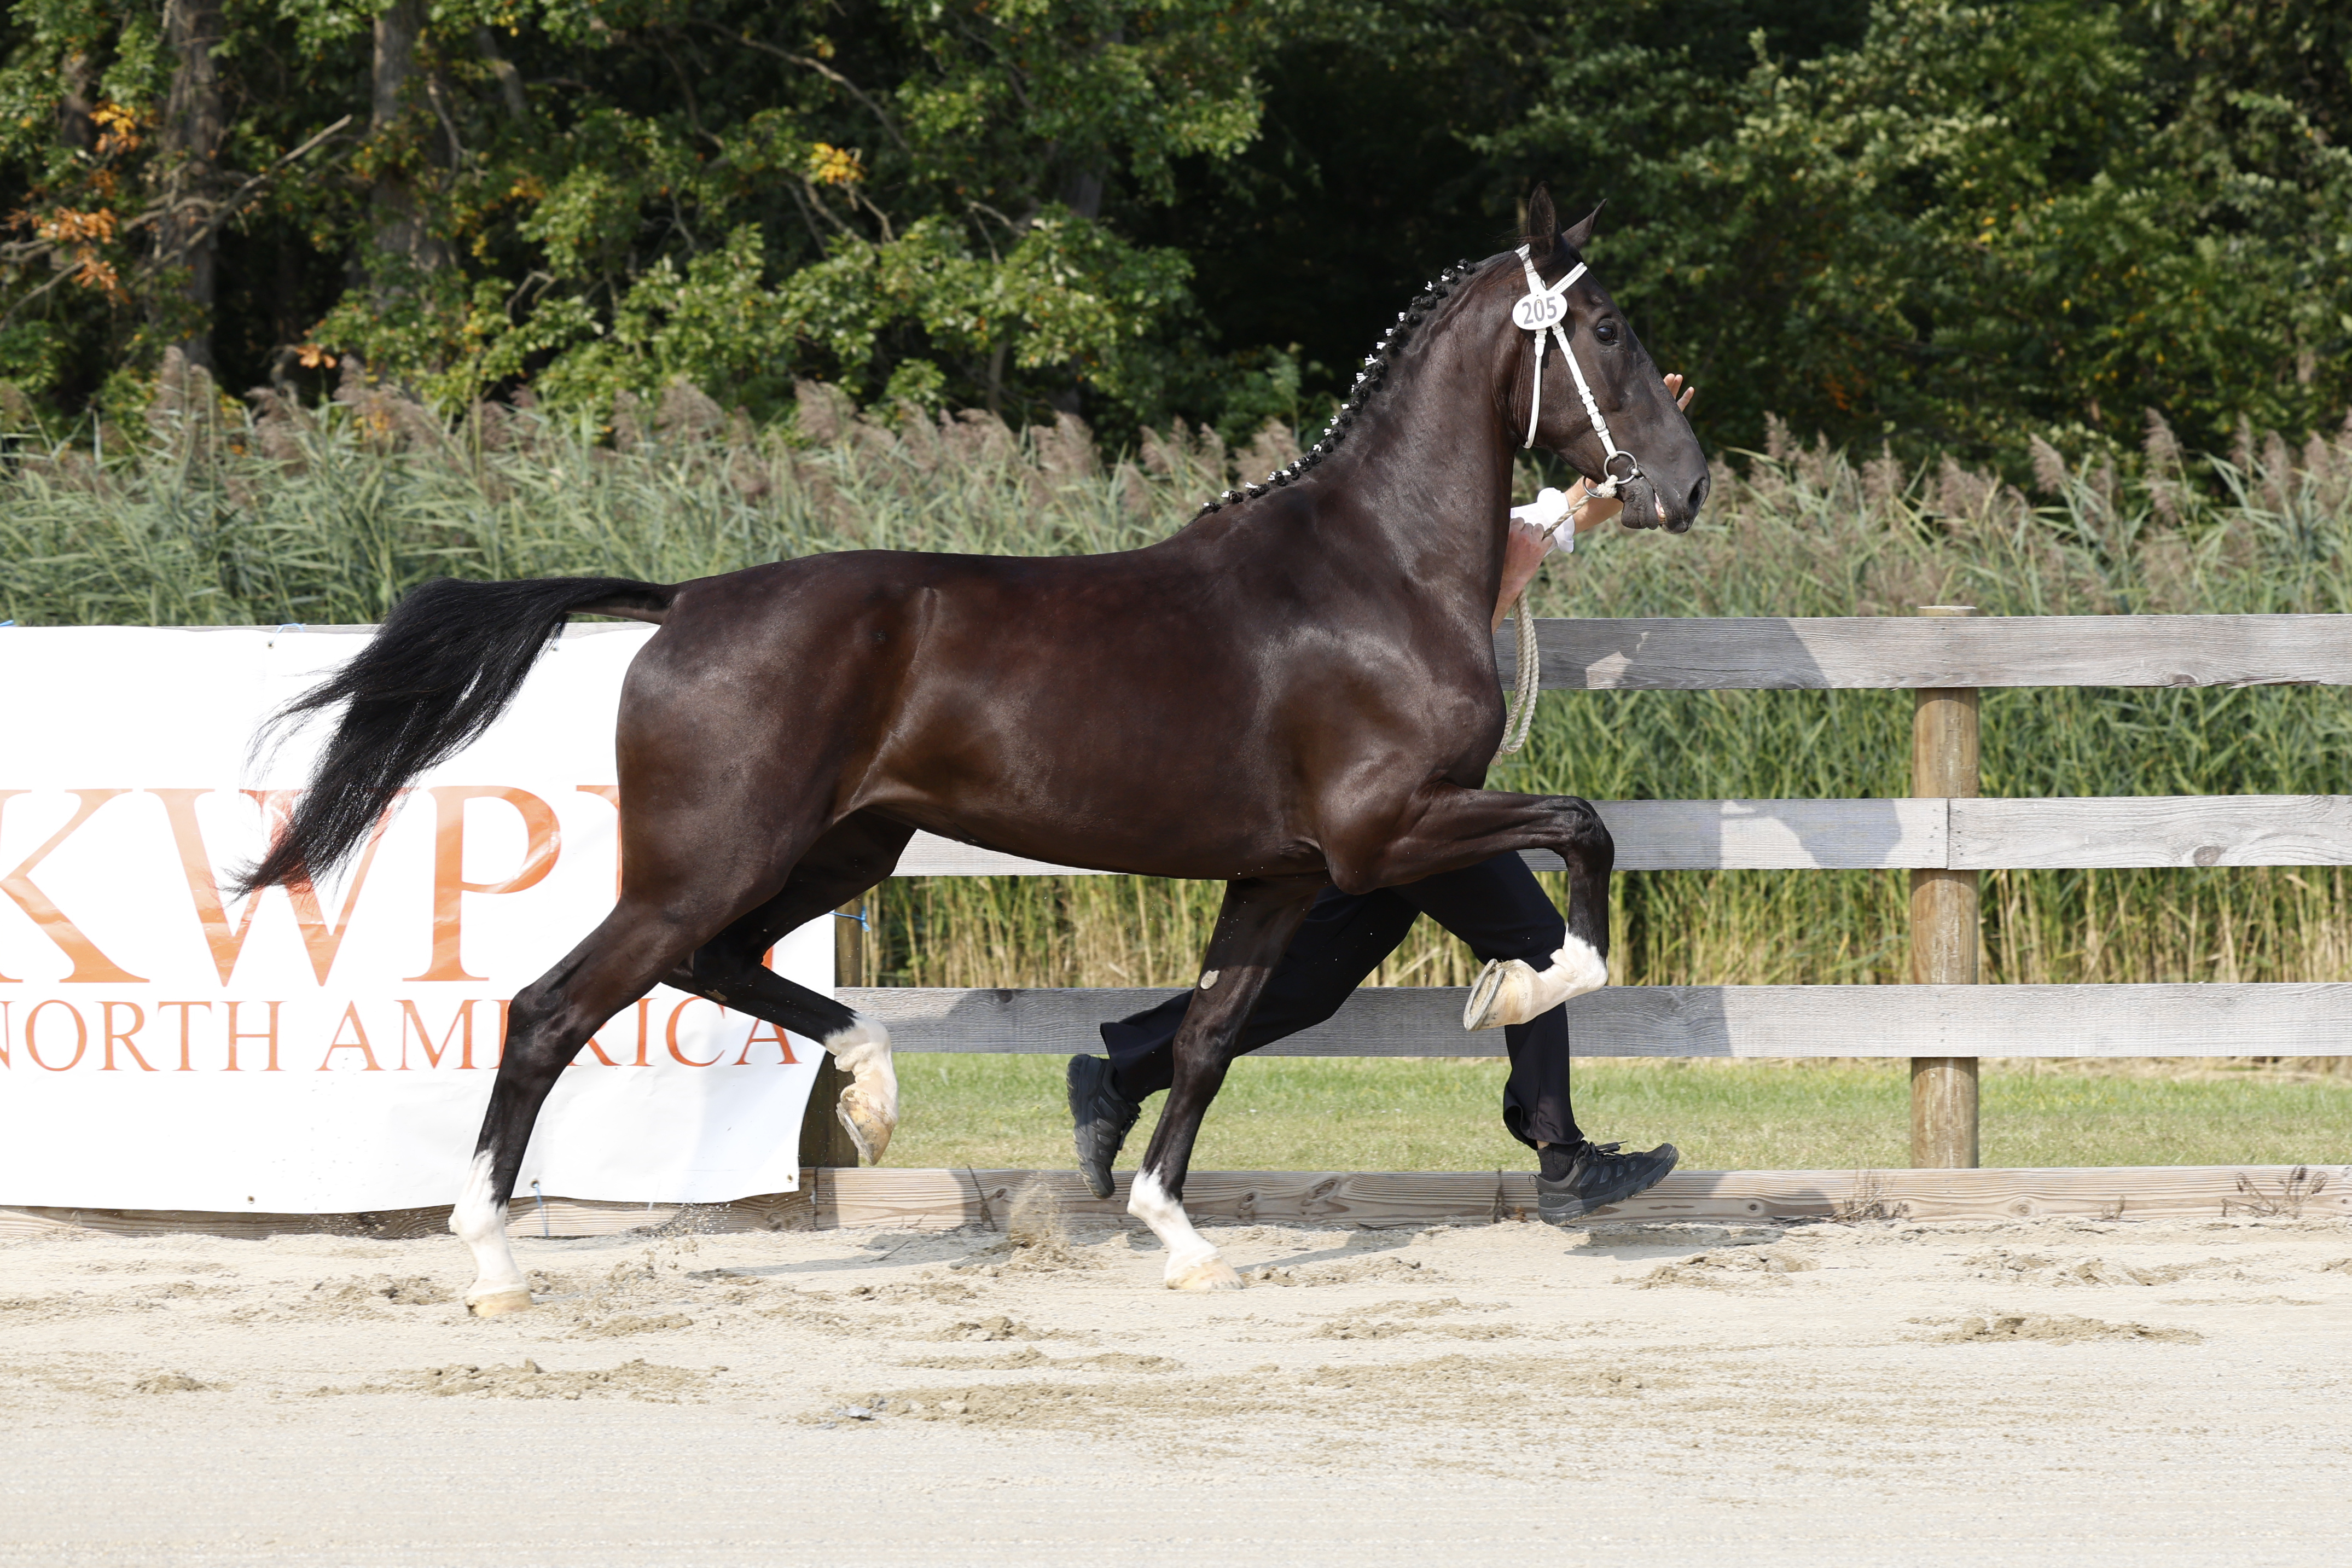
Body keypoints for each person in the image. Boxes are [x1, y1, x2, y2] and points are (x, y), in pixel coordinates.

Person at [1066, 376, 1697, 1225]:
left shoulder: (1432, 531)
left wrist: (1625, 444)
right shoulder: (1428, 540)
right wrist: (1617, 452)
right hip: (1405, 796)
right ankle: (1561, 1155)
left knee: (1302, 983)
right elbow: (1532, 542)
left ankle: (1123, 1070)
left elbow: (1557, 525)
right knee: (1542, 945)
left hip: (1382, 794)